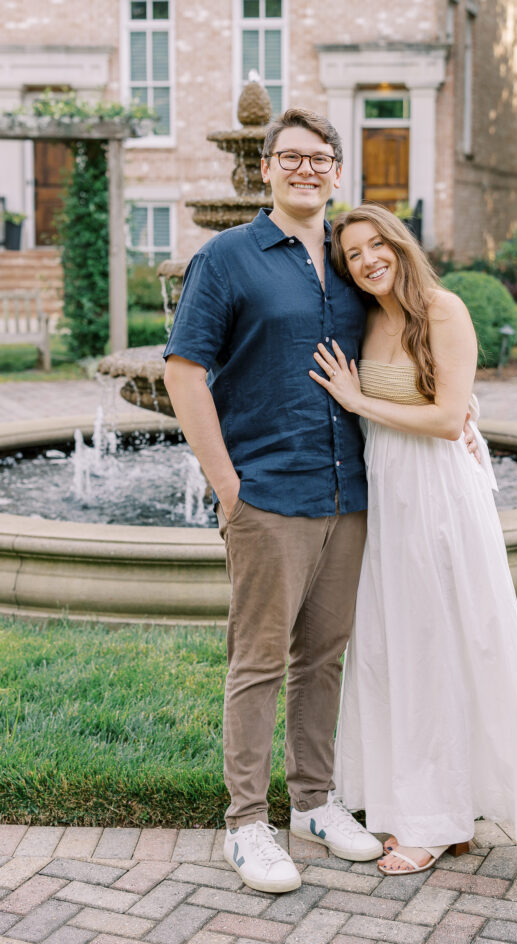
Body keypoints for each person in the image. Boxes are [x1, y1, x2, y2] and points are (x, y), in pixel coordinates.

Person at [309, 203, 517, 876]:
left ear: (399, 245)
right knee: (394, 648)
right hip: (386, 496)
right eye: (353, 254)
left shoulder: (443, 309)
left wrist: (357, 400)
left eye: (378, 245)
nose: (368, 259)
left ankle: (432, 822)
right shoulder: (364, 318)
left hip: (435, 496)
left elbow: (446, 417)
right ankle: (433, 806)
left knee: (442, 644)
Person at [163, 109, 385, 893]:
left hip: (347, 493)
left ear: (335, 171)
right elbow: (184, 372)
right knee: (257, 663)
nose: (306, 169)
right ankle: (246, 824)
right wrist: (228, 488)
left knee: (322, 658)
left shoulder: (355, 256)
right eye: (289, 157)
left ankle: (314, 805)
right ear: (265, 169)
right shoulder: (226, 257)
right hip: (267, 492)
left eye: (319, 158)